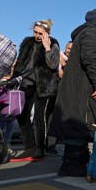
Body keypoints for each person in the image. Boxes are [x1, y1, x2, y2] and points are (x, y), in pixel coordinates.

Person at [48, 8, 96, 177]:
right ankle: (71, 164)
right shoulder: (92, 33)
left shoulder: (88, 34)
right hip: (84, 92)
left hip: (82, 91)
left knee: (81, 125)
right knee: (80, 123)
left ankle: (78, 161)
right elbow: (91, 59)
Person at [10, 19, 60, 162]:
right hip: (26, 83)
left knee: (39, 117)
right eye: (35, 32)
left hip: (43, 85)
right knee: (21, 114)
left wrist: (47, 47)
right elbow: (20, 63)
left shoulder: (53, 43)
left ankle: (39, 149)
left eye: (41, 33)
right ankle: (29, 147)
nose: (37, 35)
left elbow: (53, 65)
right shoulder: (27, 42)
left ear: (47, 33)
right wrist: (14, 79)